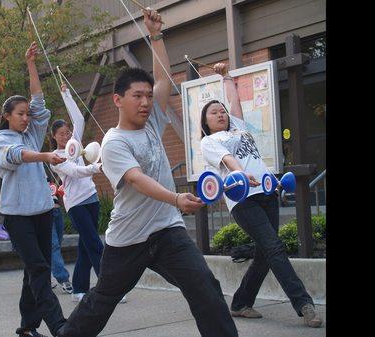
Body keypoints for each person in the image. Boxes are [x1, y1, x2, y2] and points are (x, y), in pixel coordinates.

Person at [57, 8, 238, 337]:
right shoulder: (113, 143)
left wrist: (156, 35)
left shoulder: (152, 119)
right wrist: (175, 198)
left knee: (205, 288)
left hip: (167, 231)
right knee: (102, 301)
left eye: (147, 96)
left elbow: (163, 80)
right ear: (118, 100)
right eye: (136, 96)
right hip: (128, 239)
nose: (145, 102)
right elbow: (137, 180)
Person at [198, 63, 322, 328]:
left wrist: (226, 76)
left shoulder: (239, 128)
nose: (220, 114)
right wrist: (242, 173)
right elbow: (229, 159)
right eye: (213, 112)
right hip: (243, 200)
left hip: (266, 192)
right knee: (274, 247)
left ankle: (241, 302)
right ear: (205, 122)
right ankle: (304, 304)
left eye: (222, 111)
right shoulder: (209, 142)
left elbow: (235, 101)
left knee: (266, 253)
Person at [0, 41, 67, 337]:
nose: (26, 117)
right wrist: (45, 156)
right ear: (7, 115)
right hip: (18, 216)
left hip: (42, 212)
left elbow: (38, 101)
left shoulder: (32, 133)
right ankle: (60, 326)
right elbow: (17, 156)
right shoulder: (2, 139)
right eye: (19, 114)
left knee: (33, 271)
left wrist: (31, 64)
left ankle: (26, 327)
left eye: (26, 114)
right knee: (39, 270)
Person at [50, 84, 126, 304]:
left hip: (91, 198)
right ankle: (109, 290)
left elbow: (79, 120)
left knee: (85, 246)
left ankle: (79, 289)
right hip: (75, 204)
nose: (65, 137)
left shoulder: (75, 144)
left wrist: (66, 94)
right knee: (94, 244)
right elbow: (74, 172)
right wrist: (96, 167)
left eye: (67, 133)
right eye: (61, 134)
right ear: (54, 137)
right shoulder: (55, 157)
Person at [46, 175, 74, 295]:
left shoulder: (47, 170)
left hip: (57, 211)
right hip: (45, 212)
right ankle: (64, 279)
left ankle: (44, 279)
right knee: (53, 246)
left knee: (55, 243)